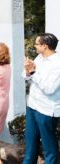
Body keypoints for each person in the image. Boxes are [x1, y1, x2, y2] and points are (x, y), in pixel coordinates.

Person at [23, 33, 60, 164]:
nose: (34, 46)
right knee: (30, 143)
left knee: (49, 146)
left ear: (45, 46)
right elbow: (27, 76)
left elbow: (49, 89)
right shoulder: (40, 57)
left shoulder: (57, 64)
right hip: (32, 106)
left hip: (47, 110)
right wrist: (28, 70)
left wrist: (33, 72)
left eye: (37, 44)